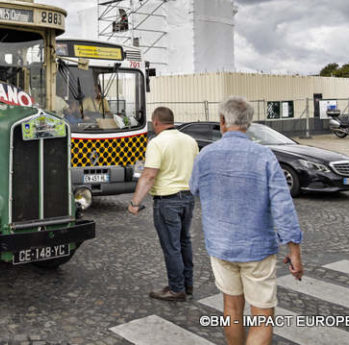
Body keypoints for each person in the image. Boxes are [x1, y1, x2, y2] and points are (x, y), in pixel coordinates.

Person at [191, 96, 303, 345]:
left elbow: (195, 189)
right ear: (248, 124)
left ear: (222, 121)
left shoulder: (205, 155)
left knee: (231, 310)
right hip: (257, 248)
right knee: (262, 316)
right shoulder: (263, 155)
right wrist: (293, 249)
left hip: (221, 246)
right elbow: (282, 205)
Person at [128, 106, 198, 301]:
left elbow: (149, 175)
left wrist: (135, 202)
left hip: (167, 200)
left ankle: (176, 289)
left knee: (171, 246)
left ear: (156, 122)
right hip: (188, 198)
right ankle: (188, 284)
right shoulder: (190, 141)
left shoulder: (157, 143)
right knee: (185, 242)